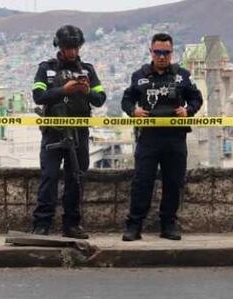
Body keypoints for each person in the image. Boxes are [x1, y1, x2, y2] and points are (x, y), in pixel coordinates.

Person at [121, 32, 203, 241]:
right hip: (148, 138)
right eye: (157, 52)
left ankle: (168, 224)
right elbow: (126, 100)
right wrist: (133, 111)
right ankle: (134, 226)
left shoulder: (182, 75)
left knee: (174, 182)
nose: (161, 56)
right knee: (142, 182)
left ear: (171, 53)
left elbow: (197, 98)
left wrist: (188, 110)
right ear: (151, 52)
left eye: (166, 52)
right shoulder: (139, 76)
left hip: (175, 138)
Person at [30, 25, 106, 238]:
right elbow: (38, 96)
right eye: (68, 48)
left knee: (76, 178)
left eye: (75, 47)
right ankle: (42, 224)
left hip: (79, 133)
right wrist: (63, 90)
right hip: (53, 132)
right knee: (49, 177)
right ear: (59, 47)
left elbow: (100, 99)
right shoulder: (46, 69)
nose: (72, 52)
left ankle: (72, 224)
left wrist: (86, 90)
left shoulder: (87, 70)